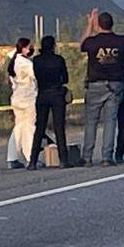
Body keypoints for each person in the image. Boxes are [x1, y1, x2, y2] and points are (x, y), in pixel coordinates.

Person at [79, 9, 124, 166]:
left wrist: (89, 26)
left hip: (95, 85)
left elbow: (82, 45)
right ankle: (107, 156)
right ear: (112, 24)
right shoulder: (121, 41)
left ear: (98, 24)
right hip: (115, 85)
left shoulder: (92, 42)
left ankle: (87, 157)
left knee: (91, 121)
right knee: (110, 121)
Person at [27, 36, 71, 170]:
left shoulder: (36, 60)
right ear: (53, 46)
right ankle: (63, 160)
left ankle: (32, 161)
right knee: (59, 127)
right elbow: (65, 78)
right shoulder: (59, 60)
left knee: (40, 127)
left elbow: (36, 76)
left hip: (42, 93)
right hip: (57, 93)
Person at [6, 38, 37, 169]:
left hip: (16, 97)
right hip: (28, 98)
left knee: (18, 127)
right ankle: (30, 157)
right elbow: (36, 76)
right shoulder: (26, 63)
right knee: (29, 127)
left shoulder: (13, 62)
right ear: (24, 48)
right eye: (29, 47)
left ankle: (12, 157)